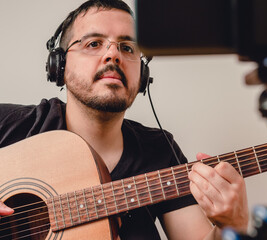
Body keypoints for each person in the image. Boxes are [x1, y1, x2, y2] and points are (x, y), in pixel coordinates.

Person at [0, 0, 248, 239]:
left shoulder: (158, 150)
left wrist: (233, 225)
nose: (113, 54)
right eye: (94, 43)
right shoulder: (12, 123)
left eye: (127, 48)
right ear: (59, 66)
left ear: (142, 76)